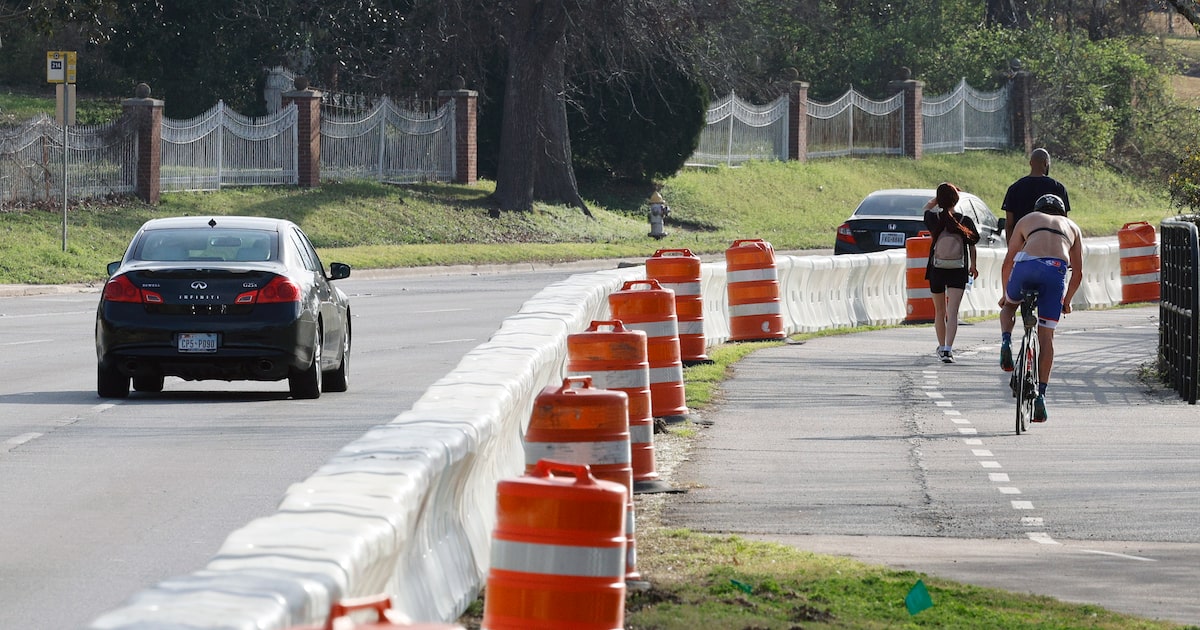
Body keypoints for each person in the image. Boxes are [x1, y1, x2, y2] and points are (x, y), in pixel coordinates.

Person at [998, 193, 1084, 422]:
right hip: (1055, 271)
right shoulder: (1072, 227)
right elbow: (1078, 272)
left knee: (1008, 307)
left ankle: (1006, 340)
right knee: (1047, 336)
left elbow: (1008, 260)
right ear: (1062, 212)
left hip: (1026, 266)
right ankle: (1041, 397)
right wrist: (1067, 301)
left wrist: (1005, 295)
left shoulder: (1028, 219)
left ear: (1038, 208)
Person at [923, 182, 980, 363]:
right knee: (952, 311)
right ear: (956, 200)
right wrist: (973, 266)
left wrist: (936, 200)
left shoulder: (934, 220)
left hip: (937, 269)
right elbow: (972, 245)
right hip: (958, 268)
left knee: (939, 311)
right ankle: (948, 349)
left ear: (939, 200)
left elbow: (926, 208)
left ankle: (941, 347)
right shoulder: (965, 221)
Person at [1001, 148, 1070, 242]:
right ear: (1046, 163)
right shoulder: (1058, 188)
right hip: (1050, 244)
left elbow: (1009, 224)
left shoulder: (1015, 188)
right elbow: (1064, 222)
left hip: (1023, 245)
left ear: (1030, 163)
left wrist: (1011, 250)